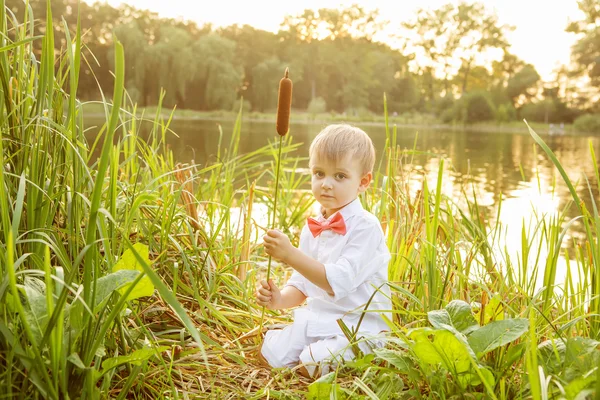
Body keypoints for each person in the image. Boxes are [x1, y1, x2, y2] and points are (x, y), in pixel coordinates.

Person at [256, 124, 392, 378]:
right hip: (320, 318)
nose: (326, 184)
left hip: (358, 326)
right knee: (272, 354)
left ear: (363, 182)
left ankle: (348, 353)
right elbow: (302, 284)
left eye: (340, 176)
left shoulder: (366, 227)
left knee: (311, 362)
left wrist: (289, 254)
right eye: (319, 173)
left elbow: (336, 282)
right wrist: (279, 299)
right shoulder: (313, 227)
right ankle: (308, 344)